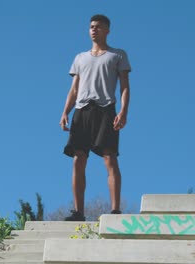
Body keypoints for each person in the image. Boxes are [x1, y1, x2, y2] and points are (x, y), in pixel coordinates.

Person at [59, 14, 131, 221]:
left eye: (98, 27)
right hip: (82, 111)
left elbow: (125, 87)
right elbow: (74, 89)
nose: (93, 30)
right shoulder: (80, 58)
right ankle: (78, 212)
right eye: (91, 26)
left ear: (107, 30)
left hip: (106, 110)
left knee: (110, 159)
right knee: (78, 160)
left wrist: (123, 111)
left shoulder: (117, 55)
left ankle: (116, 211)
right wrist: (65, 112)